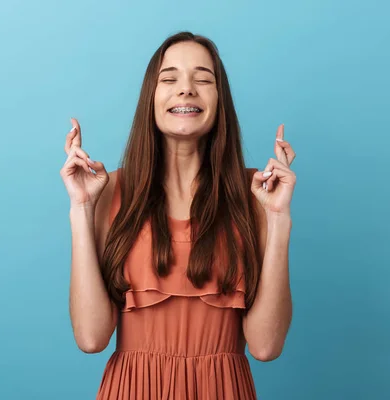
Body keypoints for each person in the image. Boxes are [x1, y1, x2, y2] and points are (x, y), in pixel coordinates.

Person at [60, 31, 296, 400]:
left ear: (220, 101)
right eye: (169, 79)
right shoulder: (108, 191)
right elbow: (91, 338)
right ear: (150, 99)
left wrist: (279, 219)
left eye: (203, 79)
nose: (186, 89)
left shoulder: (257, 194)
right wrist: (81, 208)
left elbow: (266, 346)